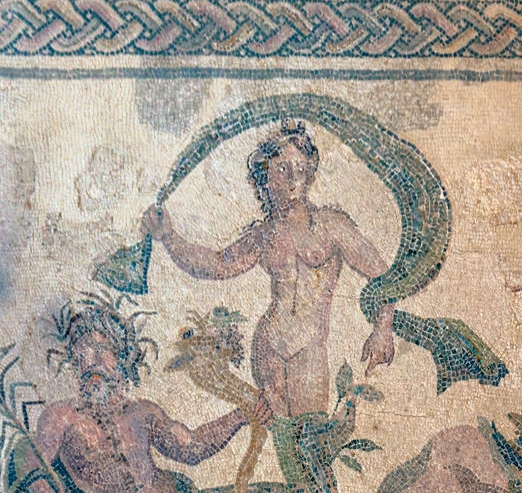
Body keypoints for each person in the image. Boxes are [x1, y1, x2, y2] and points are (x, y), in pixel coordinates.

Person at [26, 294, 377, 493]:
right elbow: (30, 458)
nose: (91, 361)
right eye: (82, 351)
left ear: (122, 359)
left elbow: (190, 447)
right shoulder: (62, 416)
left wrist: (240, 416)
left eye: (102, 350)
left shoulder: (142, 412)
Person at [140, 120, 396, 417]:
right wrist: (169, 237)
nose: (294, 178)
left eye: (301, 169)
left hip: (309, 347)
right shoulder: (264, 235)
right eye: (283, 168)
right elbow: (216, 264)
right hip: (269, 345)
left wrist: (383, 330)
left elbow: (382, 275)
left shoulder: (329, 226)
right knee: (281, 434)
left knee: (311, 430)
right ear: (265, 176)